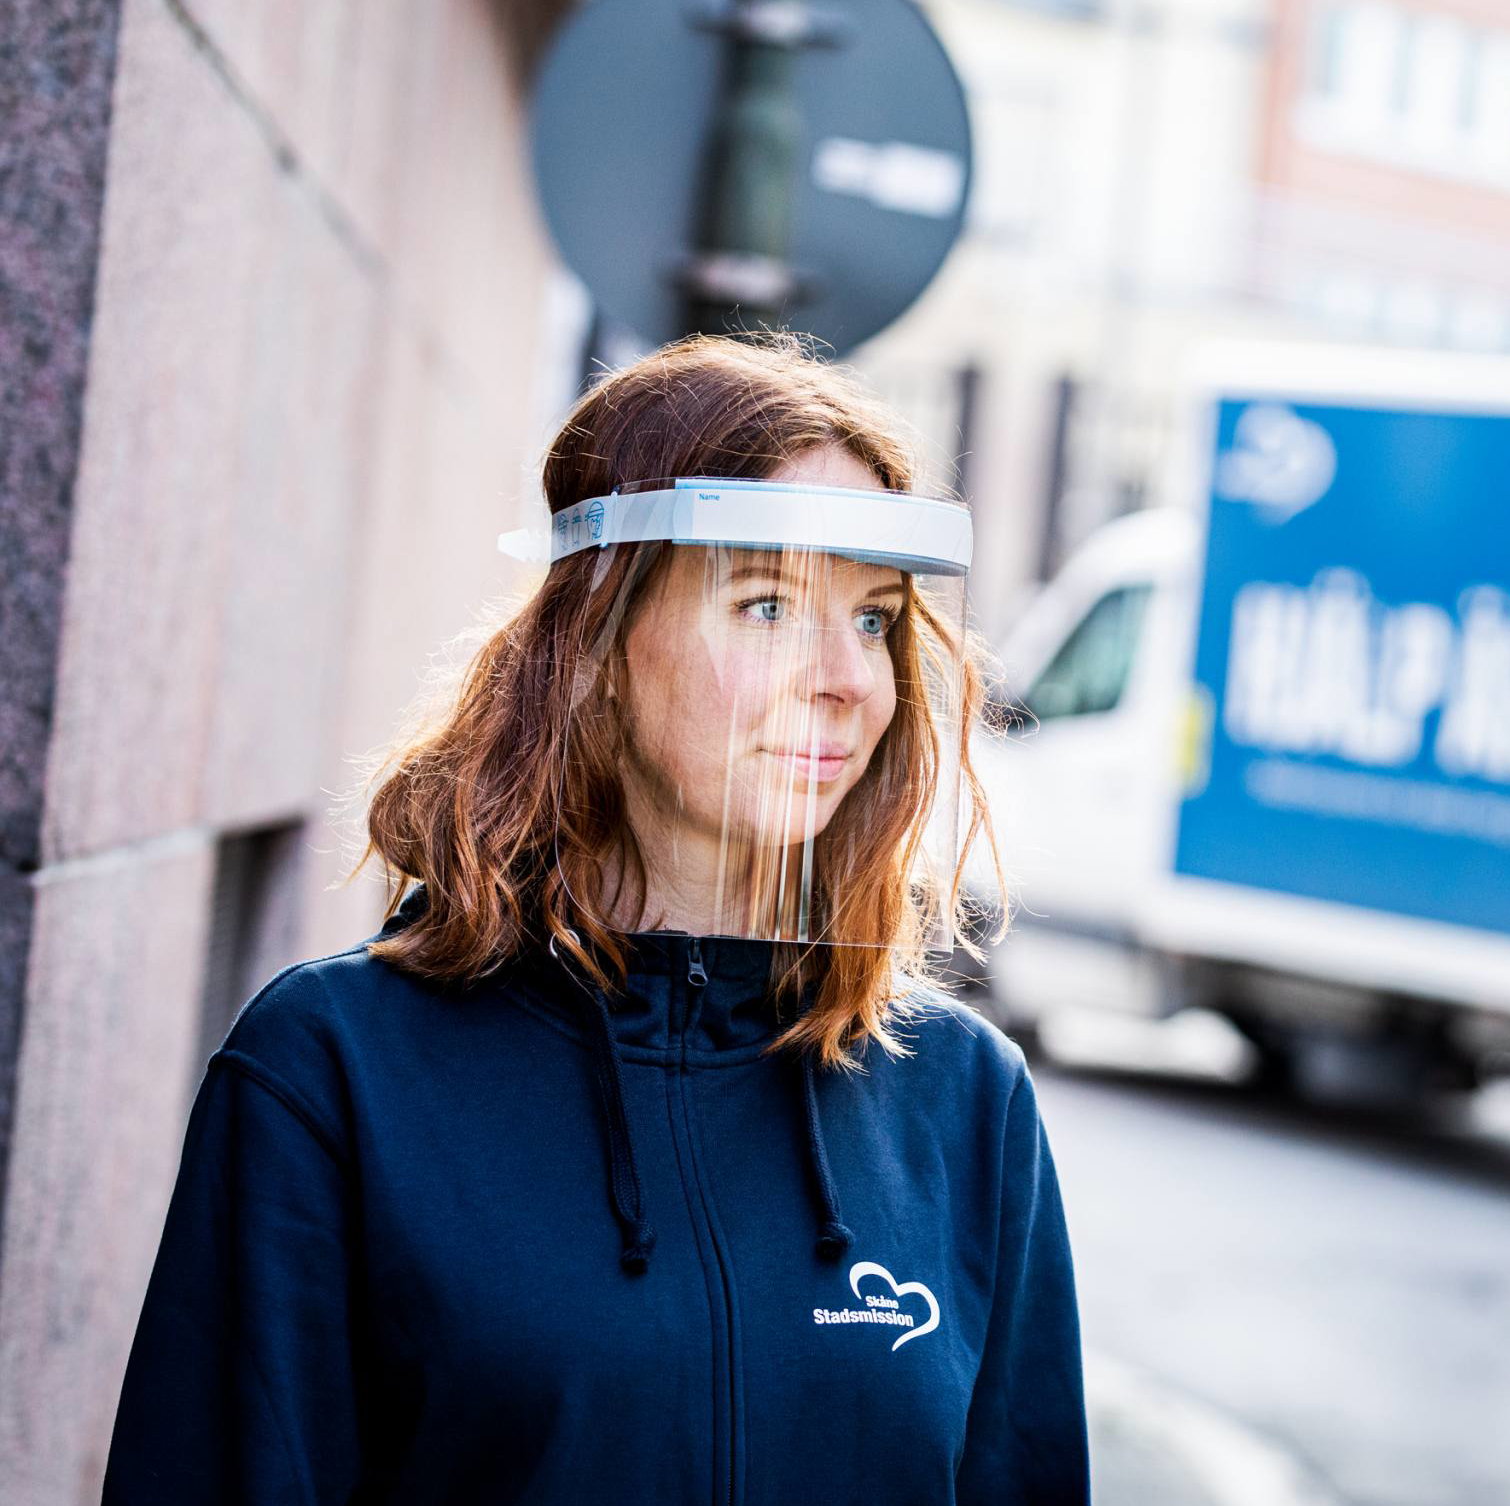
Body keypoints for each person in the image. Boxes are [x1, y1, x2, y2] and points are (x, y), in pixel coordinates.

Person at [100, 334, 1087, 1504]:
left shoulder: (964, 1101)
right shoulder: (336, 1071)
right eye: (768, 606)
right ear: (598, 649)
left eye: (874, 619)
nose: (846, 677)